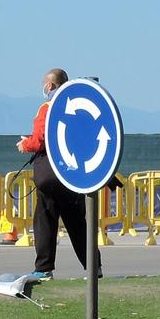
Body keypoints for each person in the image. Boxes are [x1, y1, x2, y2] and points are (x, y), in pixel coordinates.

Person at [16, 68, 96, 281]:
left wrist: (25, 144)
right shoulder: (79, 107)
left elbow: (40, 139)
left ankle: (44, 268)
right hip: (73, 175)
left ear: (50, 86)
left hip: (50, 174)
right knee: (78, 224)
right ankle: (93, 267)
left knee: (45, 220)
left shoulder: (48, 107)